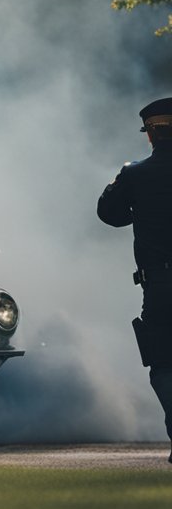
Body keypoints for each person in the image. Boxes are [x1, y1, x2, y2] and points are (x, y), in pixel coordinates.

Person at [98, 97, 172, 464]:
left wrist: (138, 212)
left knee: (163, 362)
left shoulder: (136, 174)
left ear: (152, 135)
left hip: (160, 283)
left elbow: (107, 212)